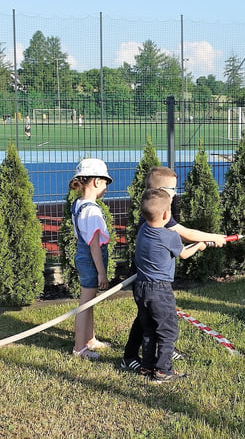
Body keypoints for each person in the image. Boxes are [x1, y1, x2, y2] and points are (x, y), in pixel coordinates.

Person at [120, 166, 227, 373]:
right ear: (160, 191)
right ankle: (131, 356)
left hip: (147, 279)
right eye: (172, 189)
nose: (176, 193)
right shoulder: (160, 217)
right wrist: (213, 237)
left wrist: (207, 240)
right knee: (146, 321)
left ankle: (160, 354)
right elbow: (184, 234)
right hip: (152, 279)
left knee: (151, 319)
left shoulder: (152, 213)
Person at [133, 188, 206, 383]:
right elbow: (182, 254)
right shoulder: (170, 236)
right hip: (160, 291)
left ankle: (147, 367)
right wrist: (200, 244)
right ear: (167, 214)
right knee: (167, 331)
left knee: (148, 329)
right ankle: (163, 371)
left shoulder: (142, 229)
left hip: (140, 288)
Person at [69, 158, 115, 360]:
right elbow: (95, 245)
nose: (105, 187)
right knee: (85, 303)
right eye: (105, 182)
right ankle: (80, 348)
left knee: (89, 302)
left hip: (83, 256)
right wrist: (101, 272)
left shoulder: (78, 204)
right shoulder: (93, 211)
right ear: (97, 182)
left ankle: (90, 339)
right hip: (91, 260)